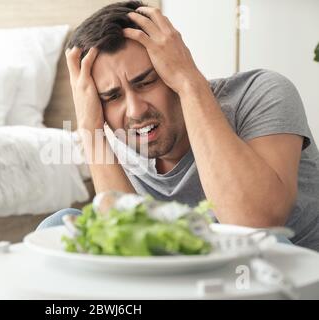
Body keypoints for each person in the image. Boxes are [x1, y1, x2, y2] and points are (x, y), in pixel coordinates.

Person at [38, 1, 319, 251]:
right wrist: (90, 129)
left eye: (146, 82)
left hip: (277, 278)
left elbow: (255, 222)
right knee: (57, 226)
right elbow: (126, 245)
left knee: (262, 241)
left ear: (172, 65)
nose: (135, 110)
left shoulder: (261, 93)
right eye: (112, 96)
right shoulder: (115, 132)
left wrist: (189, 81)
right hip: (182, 279)